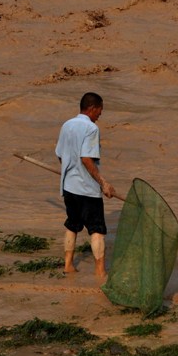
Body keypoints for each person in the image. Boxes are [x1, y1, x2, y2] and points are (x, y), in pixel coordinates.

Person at [55, 92, 116, 277]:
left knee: (72, 225)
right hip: (87, 190)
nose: (100, 114)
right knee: (97, 230)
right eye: (100, 110)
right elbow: (86, 158)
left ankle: (68, 265)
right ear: (92, 108)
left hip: (68, 187)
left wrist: (69, 169)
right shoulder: (91, 129)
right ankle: (99, 271)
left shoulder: (67, 125)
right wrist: (103, 183)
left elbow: (60, 154)